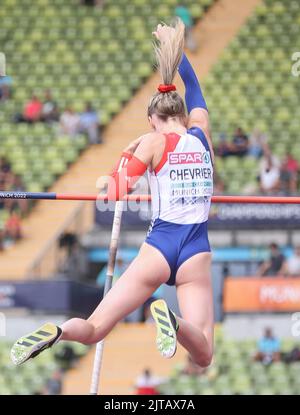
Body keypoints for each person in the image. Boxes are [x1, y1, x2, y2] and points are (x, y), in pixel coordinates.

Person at [11, 20, 214, 371]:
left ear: (152, 119)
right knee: (204, 353)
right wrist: (175, 52)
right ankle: (173, 321)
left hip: (159, 249)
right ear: (182, 113)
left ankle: (58, 331)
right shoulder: (201, 136)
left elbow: (115, 190)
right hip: (196, 251)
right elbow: (194, 88)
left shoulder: (152, 142)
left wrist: (123, 158)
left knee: (93, 330)